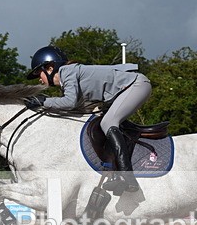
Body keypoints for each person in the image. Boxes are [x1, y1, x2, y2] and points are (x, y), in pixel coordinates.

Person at [25, 45, 152, 193]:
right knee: (100, 122)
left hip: (135, 85)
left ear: (49, 67)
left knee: (108, 122)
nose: (39, 80)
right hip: (129, 88)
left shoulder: (67, 71)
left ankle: (126, 176)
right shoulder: (70, 76)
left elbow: (69, 102)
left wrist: (43, 102)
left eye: (38, 73)